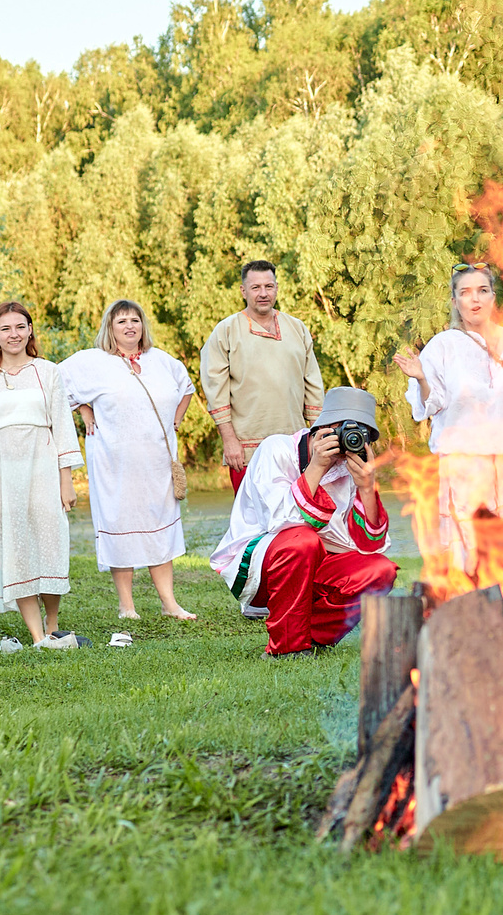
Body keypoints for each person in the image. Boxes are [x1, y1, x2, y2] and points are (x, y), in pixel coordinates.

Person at [210, 387, 397, 658]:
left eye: (361, 433)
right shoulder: (277, 448)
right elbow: (280, 522)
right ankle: (286, 647)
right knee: (302, 540)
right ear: (324, 427)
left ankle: (309, 634)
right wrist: (317, 467)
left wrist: (367, 488)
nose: (350, 439)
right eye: (345, 428)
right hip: (263, 566)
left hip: (318, 563)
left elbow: (369, 549)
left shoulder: (352, 468)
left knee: (381, 571)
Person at [396, 265, 503, 572]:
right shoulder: (443, 345)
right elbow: (428, 405)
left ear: (493, 298)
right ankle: (473, 606)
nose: (474, 299)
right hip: (464, 464)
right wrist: (422, 379)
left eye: (482, 291)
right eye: (465, 293)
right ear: (454, 302)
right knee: (470, 549)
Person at [65, 299, 199, 622]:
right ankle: (127, 605)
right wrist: (83, 408)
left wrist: (175, 423)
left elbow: (187, 388)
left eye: (134, 320)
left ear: (143, 326)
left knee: (159, 527)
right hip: (115, 462)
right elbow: (56, 384)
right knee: (119, 524)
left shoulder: (161, 361)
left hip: (156, 462)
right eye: (121, 321)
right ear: (110, 328)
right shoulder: (93, 362)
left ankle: (169, 602)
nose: (129, 326)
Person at [0, 301, 84, 648]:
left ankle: (52, 623)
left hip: (43, 464)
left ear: (30, 330)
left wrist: (67, 480)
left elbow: (62, 426)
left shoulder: (48, 372)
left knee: (51, 540)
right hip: (1, 470)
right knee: (15, 546)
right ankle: (37, 636)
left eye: (20, 326)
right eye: (5, 328)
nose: (13, 334)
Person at [201, 262, 324, 490]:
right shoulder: (226, 331)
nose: (263, 293)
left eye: (269, 286)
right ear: (243, 291)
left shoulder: (297, 328)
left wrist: (318, 439)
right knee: (251, 523)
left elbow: (314, 388)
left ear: (277, 288)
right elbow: (215, 391)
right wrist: (229, 441)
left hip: (296, 447)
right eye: (256, 287)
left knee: (295, 519)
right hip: (247, 450)